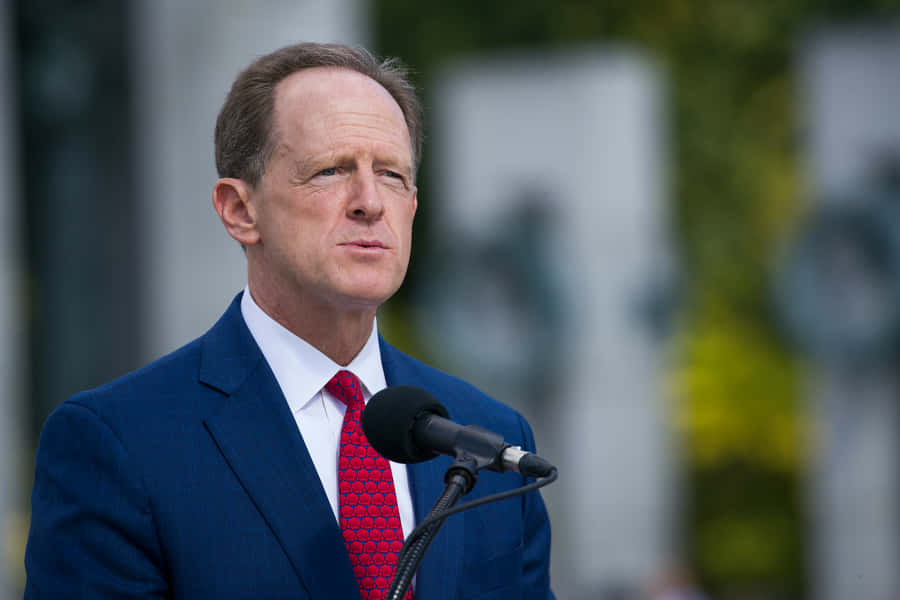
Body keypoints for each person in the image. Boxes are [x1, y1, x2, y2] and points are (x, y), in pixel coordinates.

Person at [24, 42, 554, 599]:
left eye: (392, 175)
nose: (370, 202)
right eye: (330, 170)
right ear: (239, 210)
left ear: (413, 206)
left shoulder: (489, 437)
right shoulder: (118, 443)